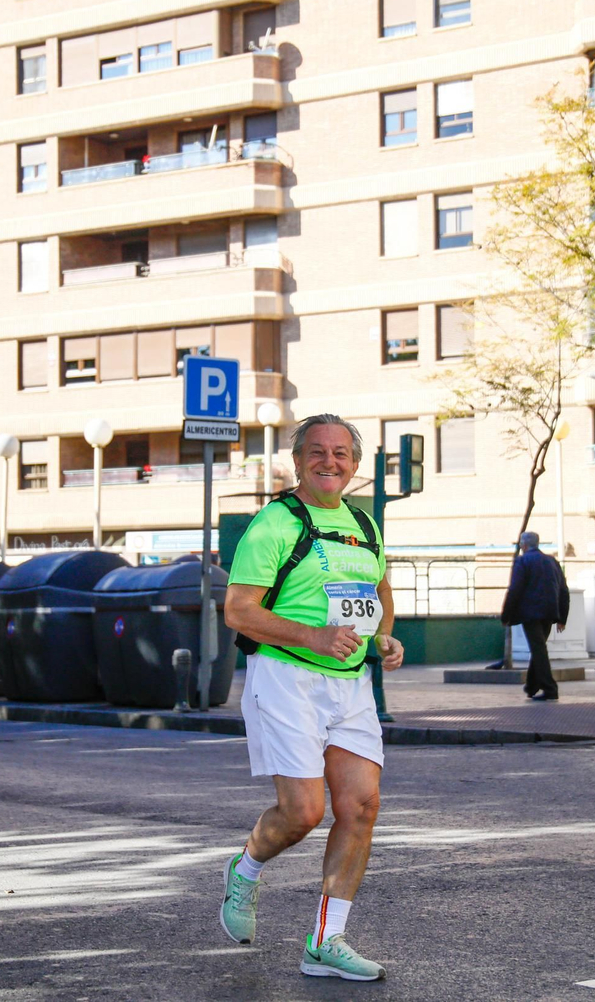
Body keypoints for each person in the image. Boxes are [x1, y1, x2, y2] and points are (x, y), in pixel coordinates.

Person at [220, 413, 404, 982]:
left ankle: (325, 941)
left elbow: (378, 592)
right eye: (318, 452)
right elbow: (239, 610)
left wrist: (384, 637)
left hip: (349, 684)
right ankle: (246, 870)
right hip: (285, 675)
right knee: (303, 813)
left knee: (362, 807)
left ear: (355, 465)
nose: (330, 462)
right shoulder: (275, 523)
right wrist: (314, 637)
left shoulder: (364, 526)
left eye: (342, 453)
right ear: (297, 462)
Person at [499, 531, 569, 700]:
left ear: (523, 545)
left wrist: (506, 615)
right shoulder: (552, 561)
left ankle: (550, 689)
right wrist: (562, 617)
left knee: (538, 649)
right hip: (550, 612)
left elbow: (514, 590)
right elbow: (563, 589)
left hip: (530, 613)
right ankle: (531, 686)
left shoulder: (523, 562)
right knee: (538, 649)